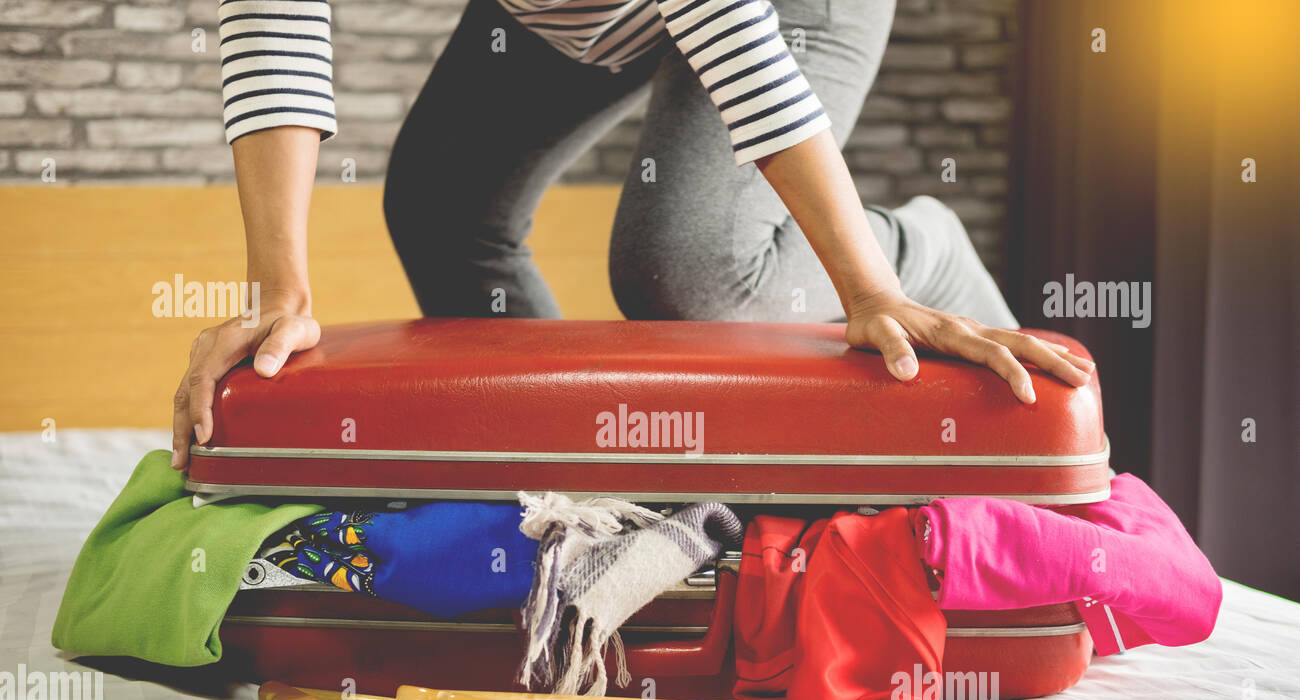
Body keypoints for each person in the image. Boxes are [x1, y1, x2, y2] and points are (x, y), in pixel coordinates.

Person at [171, 0, 1094, 470]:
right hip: (571, 17)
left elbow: (731, 33)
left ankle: (916, 251)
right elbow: (275, 24)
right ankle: (574, 484)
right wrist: (277, 294)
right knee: (441, 207)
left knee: (685, 271)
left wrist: (869, 288)